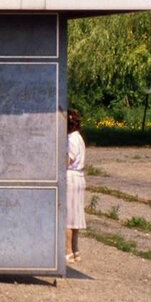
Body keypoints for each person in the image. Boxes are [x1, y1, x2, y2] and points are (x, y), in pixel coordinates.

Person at [66, 108, 86, 262]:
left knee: (67, 216)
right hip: (79, 177)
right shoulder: (79, 138)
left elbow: (68, 160)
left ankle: (68, 251)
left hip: (71, 177)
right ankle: (75, 249)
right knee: (76, 215)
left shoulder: (71, 139)